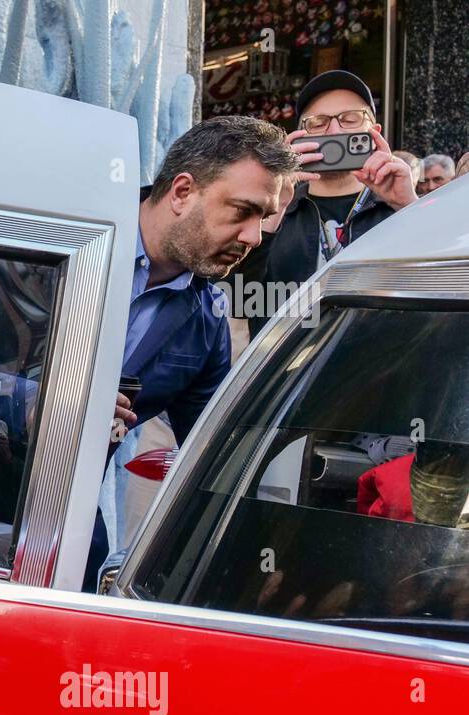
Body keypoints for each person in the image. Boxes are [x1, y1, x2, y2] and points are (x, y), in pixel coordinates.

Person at [83, 115, 299, 590]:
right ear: (182, 192)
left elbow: (214, 452)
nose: (253, 237)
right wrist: (34, 402)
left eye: (262, 218)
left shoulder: (207, 323)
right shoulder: (71, 230)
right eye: (242, 210)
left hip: (68, 535)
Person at [230, 70, 417, 338]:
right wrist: (273, 207)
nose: (335, 130)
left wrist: (407, 206)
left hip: (379, 368)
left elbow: (450, 290)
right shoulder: (275, 210)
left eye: (350, 119)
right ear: (301, 136)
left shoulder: (398, 207)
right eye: (318, 122)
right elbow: (238, 299)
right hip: (288, 373)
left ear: (374, 132)